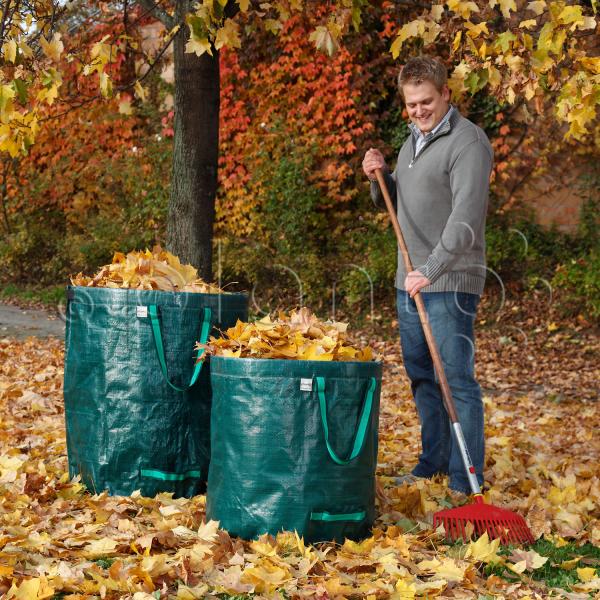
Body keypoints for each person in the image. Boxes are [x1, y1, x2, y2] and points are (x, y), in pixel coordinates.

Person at [362, 56, 493, 495]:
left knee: (455, 379)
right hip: (409, 283)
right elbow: (392, 204)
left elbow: (466, 219)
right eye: (411, 104)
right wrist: (378, 176)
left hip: (448, 282)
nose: (419, 111)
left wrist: (430, 271)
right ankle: (434, 461)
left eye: (427, 102)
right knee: (421, 376)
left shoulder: (468, 142)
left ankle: (464, 480)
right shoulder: (412, 142)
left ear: (446, 95)